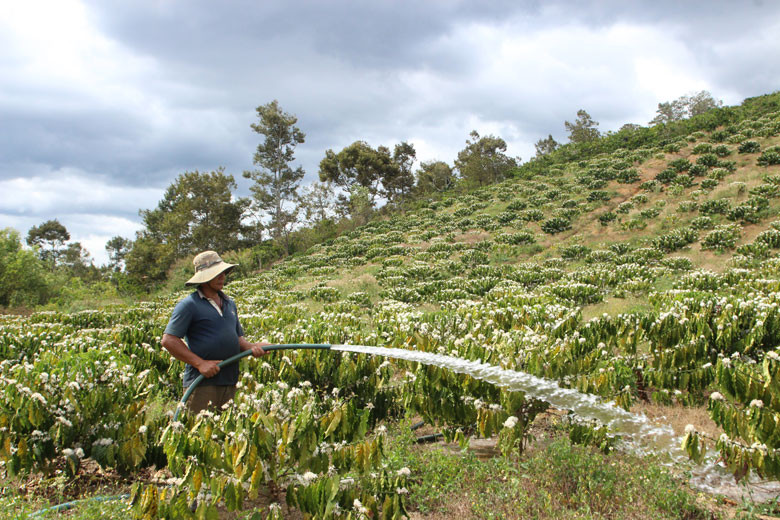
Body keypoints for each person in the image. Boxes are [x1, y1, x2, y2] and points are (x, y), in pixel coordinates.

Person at [161, 250, 269, 414]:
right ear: (203, 279)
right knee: (201, 433)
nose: (222, 277)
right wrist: (200, 363)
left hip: (229, 380)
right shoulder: (189, 305)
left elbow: (239, 340)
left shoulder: (229, 303)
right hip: (203, 383)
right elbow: (169, 340)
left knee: (224, 433)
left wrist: (253, 347)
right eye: (216, 273)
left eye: (223, 272)